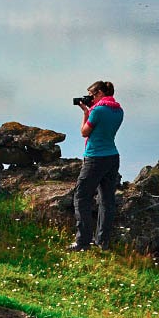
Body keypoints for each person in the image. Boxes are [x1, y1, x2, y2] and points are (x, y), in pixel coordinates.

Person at [68, 80, 124, 252]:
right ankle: (102, 242)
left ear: (100, 93)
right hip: (112, 157)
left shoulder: (97, 110)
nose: (90, 98)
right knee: (107, 200)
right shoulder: (118, 110)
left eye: (92, 95)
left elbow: (84, 132)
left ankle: (83, 241)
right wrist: (89, 109)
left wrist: (86, 112)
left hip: (95, 158)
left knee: (81, 197)